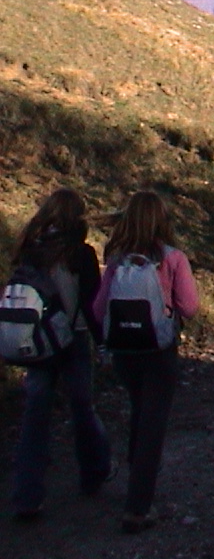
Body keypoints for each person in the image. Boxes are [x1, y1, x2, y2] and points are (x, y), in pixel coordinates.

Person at [93, 190, 199, 534]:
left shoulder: (118, 258)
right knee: (153, 423)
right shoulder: (172, 258)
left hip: (124, 351)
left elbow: (98, 308)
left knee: (139, 411)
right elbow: (189, 307)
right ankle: (138, 507)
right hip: (158, 351)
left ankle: (135, 478)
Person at [8, 189, 112, 521]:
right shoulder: (80, 254)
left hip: (37, 341)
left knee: (34, 415)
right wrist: (104, 343)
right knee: (82, 407)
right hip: (73, 340)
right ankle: (95, 472)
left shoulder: (29, 249)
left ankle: (28, 495)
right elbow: (92, 305)